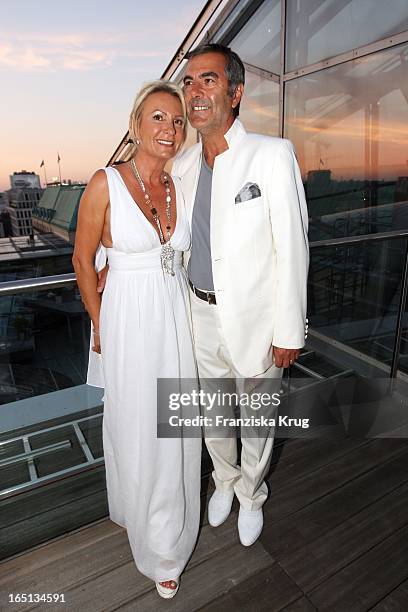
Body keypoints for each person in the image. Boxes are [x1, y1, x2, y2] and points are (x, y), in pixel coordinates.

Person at [171, 44, 309, 547]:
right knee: (212, 413)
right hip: (198, 314)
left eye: (207, 80)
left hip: (256, 319)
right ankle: (224, 480)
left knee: (257, 418)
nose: (194, 92)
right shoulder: (182, 167)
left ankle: (252, 493)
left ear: (236, 92)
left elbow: (294, 248)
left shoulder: (272, 155)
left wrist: (289, 329)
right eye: (189, 83)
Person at [72, 81, 201, 599]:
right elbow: (83, 261)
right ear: (134, 125)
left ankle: (167, 530)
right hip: (127, 323)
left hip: (175, 318)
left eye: (176, 121)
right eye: (157, 119)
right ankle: (155, 547)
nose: (169, 130)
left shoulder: (178, 185)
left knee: (174, 430)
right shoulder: (105, 183)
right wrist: (101, 323)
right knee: (136, 429)